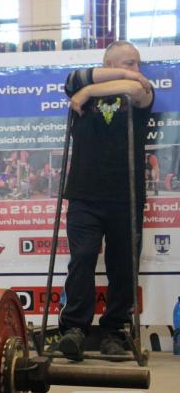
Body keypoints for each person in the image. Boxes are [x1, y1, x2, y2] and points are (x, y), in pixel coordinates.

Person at [57, 40, 154, 361]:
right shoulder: (79, 83)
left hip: (126, 196)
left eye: (138, 64)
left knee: (123, 265)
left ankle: (115, 330)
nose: (137, 70)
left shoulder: (141, 91)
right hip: (84, 194)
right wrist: (88, 87)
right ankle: (74, 328)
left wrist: (88, 92)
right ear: (108, 65)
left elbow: (137, 89)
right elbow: (74, 80)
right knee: (82, 257)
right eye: (129, 63)